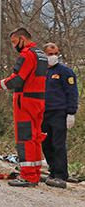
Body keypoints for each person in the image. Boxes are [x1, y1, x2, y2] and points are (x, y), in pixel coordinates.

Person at [0, 27, 48, 187]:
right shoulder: (41, 55)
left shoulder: (27, 55)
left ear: (23, 38)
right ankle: (35, 172)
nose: (14, 46)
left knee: (25, 138)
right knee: (36, 137)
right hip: (39, 100)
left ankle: (28, 176)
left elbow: (18, 79)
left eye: (15, 42)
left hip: (25, 101)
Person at [41, 43, 78, 189]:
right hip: (44, 113)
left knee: (58, 144)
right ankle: (53, 170)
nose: (52, 57)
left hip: (59, 113)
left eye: (55, 53)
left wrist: (71, 113)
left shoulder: (65, 72)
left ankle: (61, 174)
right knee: (46, 143)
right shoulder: (42, 72)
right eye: (49, 54)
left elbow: (72, 93)